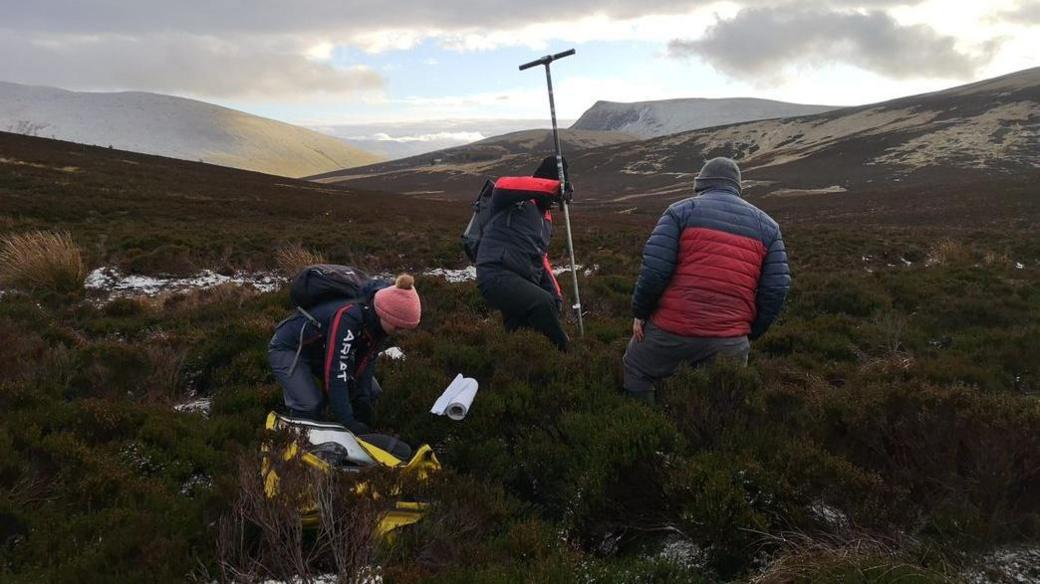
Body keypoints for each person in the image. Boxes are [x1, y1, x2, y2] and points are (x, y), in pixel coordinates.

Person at [624, 157, 791, 404]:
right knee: (722, 395)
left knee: (636, 369)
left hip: (673, 329)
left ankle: (646, 430)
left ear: (701, 183)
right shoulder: (768, 227)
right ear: (737, 186)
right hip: (730, 339)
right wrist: (748, 333)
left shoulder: (680, 211)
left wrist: (641, 313)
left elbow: (654, 271)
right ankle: (711, 438)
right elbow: (777, 288)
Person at [268, 274, 421, 457]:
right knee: (309, 404)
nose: (400, 331)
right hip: (291, 348)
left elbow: (365, 363)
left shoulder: (377, 323)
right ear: (386, 314)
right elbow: (336, 373)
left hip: (321, 351)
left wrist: (362, 401)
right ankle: (297, 450)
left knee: (372, 392)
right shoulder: (349, 316)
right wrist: (348, 422)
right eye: (398, 326)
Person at [476, 156, 570, 350]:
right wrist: (553, 186)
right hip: (496, 274)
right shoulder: (515, 198)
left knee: (518, 337)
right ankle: (567, 354)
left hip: (522, 281)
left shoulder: (546, 219)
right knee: (542, 303)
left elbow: (542, 260)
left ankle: (516, 372)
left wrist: (556, 295)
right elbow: (502, 185)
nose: (554, 201)